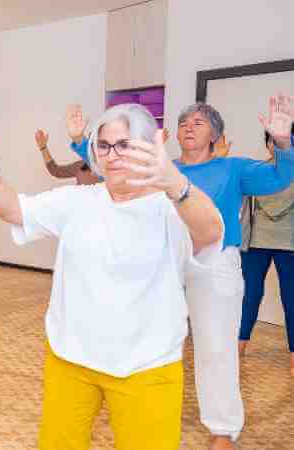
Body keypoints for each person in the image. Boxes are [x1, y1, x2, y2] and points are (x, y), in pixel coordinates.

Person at [0, 103, 223, 449]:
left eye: (125, 144)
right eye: (104, 145)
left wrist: (176, 184)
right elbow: (16, 209)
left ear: (149, 148)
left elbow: (209, 231)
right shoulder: (77, 201)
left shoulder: (171, 206)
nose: (113, 154)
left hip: (146, 366)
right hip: (70, 358)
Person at [66, 97, 293, 449]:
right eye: (185, 121)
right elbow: (112, 166)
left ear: (216, 135)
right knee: (147, 336)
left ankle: (223, 429)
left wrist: (281, 142)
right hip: (163, 260)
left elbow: (280, 177)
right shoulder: (162, 168)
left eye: (199, 122)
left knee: (215, 345)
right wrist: (81, 138)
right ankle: (133, 404)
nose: (189, 126)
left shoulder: (233, 168)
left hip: (214, 264)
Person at [239, 125, 294, 377]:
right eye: (272, 139)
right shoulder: (257, 170)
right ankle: (239, 345)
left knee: (291, 299)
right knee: (249, 295)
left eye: (284, 138)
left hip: (290, 245)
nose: (277, 143)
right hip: (255, 243)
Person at [34, 128, 98, 185]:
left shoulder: (106, 171)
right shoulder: (82, 165)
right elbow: (56, 170)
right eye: (91, 143)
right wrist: (43, 147)